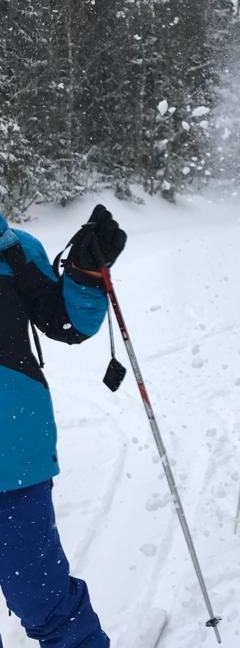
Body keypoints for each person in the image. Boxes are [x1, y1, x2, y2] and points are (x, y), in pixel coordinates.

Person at [0, 205, 126, 647]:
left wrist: (86, 273)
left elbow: (68, 323)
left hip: (12, 460)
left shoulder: (14, 250)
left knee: (44, 600)